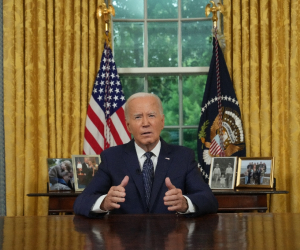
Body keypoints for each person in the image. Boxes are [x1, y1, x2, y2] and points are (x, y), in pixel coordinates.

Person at [74, 92, 218, 217]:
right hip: (126, 241)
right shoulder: (112, 158)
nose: (145, 123)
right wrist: (105, 202)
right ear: (128, 126)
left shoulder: (183, 157)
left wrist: (185, 203)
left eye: (151, 115)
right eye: (137, 117)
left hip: (171, 240)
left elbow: (209, 200)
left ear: (162, 121)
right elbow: (81, 203)